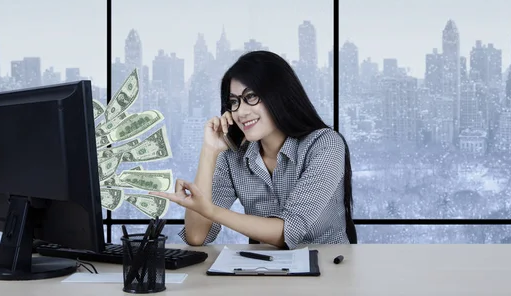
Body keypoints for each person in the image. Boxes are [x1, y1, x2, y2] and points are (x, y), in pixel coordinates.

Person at [150, 50, 357, 249]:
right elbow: (196, 236)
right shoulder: (233, 157)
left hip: (330, 268)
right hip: (265, 271)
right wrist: (209, 151)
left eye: (251, 97)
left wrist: (211, 211)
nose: (241, 112)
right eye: (234, 102)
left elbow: (288, 232)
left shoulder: (324, 144)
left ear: (279, 95)